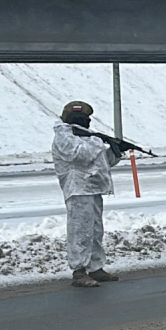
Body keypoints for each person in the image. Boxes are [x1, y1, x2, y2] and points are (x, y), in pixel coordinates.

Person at [52, 101, 125, 288]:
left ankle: (95, 267)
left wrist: (116, 152)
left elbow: (101, 162)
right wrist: (99, 141)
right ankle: (79, 271)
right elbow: (81, 155)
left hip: (93, 187)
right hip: (77, 189)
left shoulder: (89, 137)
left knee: (95, 230)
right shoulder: (64, 137)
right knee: (80, 231)